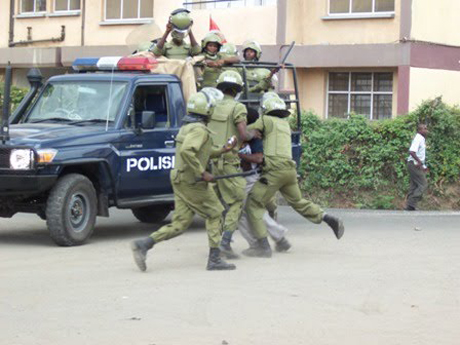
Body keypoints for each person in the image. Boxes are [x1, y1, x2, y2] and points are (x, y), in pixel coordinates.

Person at [130, 92, 237, 272]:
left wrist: (224, 149)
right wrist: (202, 172)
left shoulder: (187, 128)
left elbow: (202, 151)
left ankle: (145, 244)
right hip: (192, 181)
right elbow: (188, 151)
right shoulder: (200, 130)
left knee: (180, 224)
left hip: (180, 179)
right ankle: (214, 259)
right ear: (208, 110)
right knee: (216, 213)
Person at [244, 95, 345, 257]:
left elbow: (246, 133)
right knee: (298, 202)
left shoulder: (265, 120)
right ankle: (327, 218)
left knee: (253, 204)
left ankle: (262, 246)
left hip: (274, 170)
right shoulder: (285, 124)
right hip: (290, 170)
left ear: (265, 109)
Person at [207, 70, 257, 259]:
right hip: (228, 163)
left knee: (216, 204)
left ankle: (215, 244)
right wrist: (254, 134)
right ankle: (225, 242)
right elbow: (243, 134)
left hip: (211, 161)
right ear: (237, 90)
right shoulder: (238, 108)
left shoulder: (211, 106)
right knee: (236, 201)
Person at [238, 108, 291, 255]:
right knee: (250, 210)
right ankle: (277, 238)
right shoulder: (245, 135)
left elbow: (258, 158)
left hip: (251, 178)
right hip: (247, 178)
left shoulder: (254, 137)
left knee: (242, 212)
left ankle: (260, 243)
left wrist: (238, 155)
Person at [405, 124, 429, 211]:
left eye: (426, 129)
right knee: (423, 184)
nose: (426, 131)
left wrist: (423, 166)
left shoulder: (421, 139)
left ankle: (410, 206)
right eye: (424, 129)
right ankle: (411, 203)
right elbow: (412, 151)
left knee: (414, 185)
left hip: (415, 164)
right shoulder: (418, 139)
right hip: (414, 164)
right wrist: (419, 162)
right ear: (419, 130)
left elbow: (420, 154)